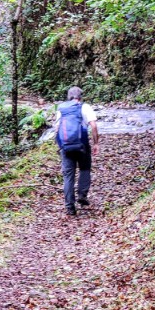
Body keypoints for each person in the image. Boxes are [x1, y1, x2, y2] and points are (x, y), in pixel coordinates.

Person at [54, 86, 99, 216]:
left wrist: (60, 145)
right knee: (85, 169)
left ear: (69, 96)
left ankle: (70, 207)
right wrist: (96, 143)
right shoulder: (85, 107)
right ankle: (82, 195)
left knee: (68, 176)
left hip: (66, 146)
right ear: (81, 96)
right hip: (82, 145)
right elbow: (94, 125)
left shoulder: (61, 108)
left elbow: (57, 128)